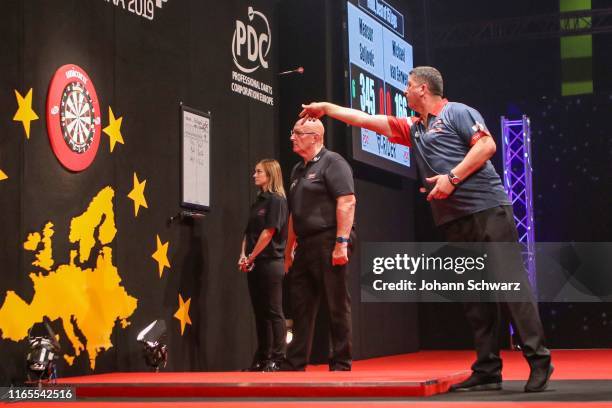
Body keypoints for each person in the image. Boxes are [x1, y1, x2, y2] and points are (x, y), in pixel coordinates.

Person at [299, 66, 553, 392]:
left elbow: (487, 147)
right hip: (452, 220)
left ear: (422, 89)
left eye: (406, 86)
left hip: (488, 211)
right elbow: (364, 119)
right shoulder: (414, 128)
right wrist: (327, 109)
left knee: (511, 288)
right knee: (475, 297)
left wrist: (452, 178)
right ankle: (488, 368)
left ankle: (539, 360)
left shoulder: (458, 112)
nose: (403, 91)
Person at [281, 118, 356, 371]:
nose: (292, 137)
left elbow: (347, 202)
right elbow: (294, 213)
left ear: (315, 137)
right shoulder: (296, 170)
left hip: (330, 238)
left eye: (298, 133)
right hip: (305, 243)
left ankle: (341, 362)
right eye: (293, 132)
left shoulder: (333, 162)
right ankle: (295, 361)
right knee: (301, 304)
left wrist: (341, 243)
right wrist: (288, 250)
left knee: (336, 304)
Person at [239, 159, 288, 372]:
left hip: (271, 263)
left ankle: (278, 358)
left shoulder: (277, 201)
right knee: (259, 313)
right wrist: (243, 256)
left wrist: (251, 256)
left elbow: (268, 233)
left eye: (258, 171)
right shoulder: (257, 201)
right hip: (254, 263)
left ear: (270, 174)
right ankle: (262, 358)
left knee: (273, 311)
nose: (254, 175)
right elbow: (248, 232)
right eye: (254, 171)